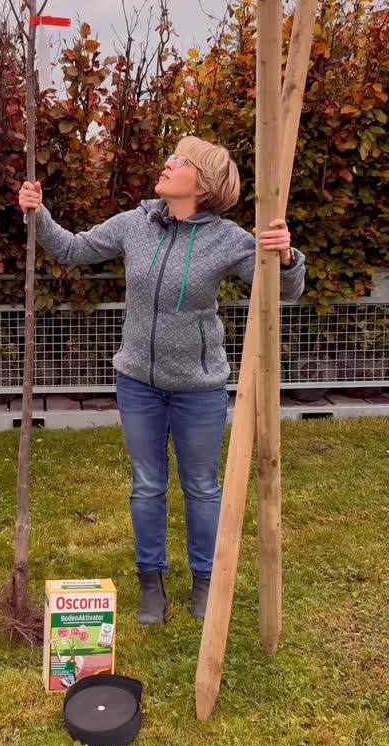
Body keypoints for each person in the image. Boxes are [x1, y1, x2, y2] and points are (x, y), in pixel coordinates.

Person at [18, 136, 305, 623]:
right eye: (170, 156)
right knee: (147, 484)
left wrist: (286, 258)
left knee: (201, 486)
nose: (167, 164)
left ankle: (205, 581)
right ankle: (151, 582)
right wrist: (38, 213)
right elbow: (72, 249)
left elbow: (284, 293)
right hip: (138, 383)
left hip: (199, 388)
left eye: (180, 161)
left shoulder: (229, 239)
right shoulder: (136, 223)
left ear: (204, 182)